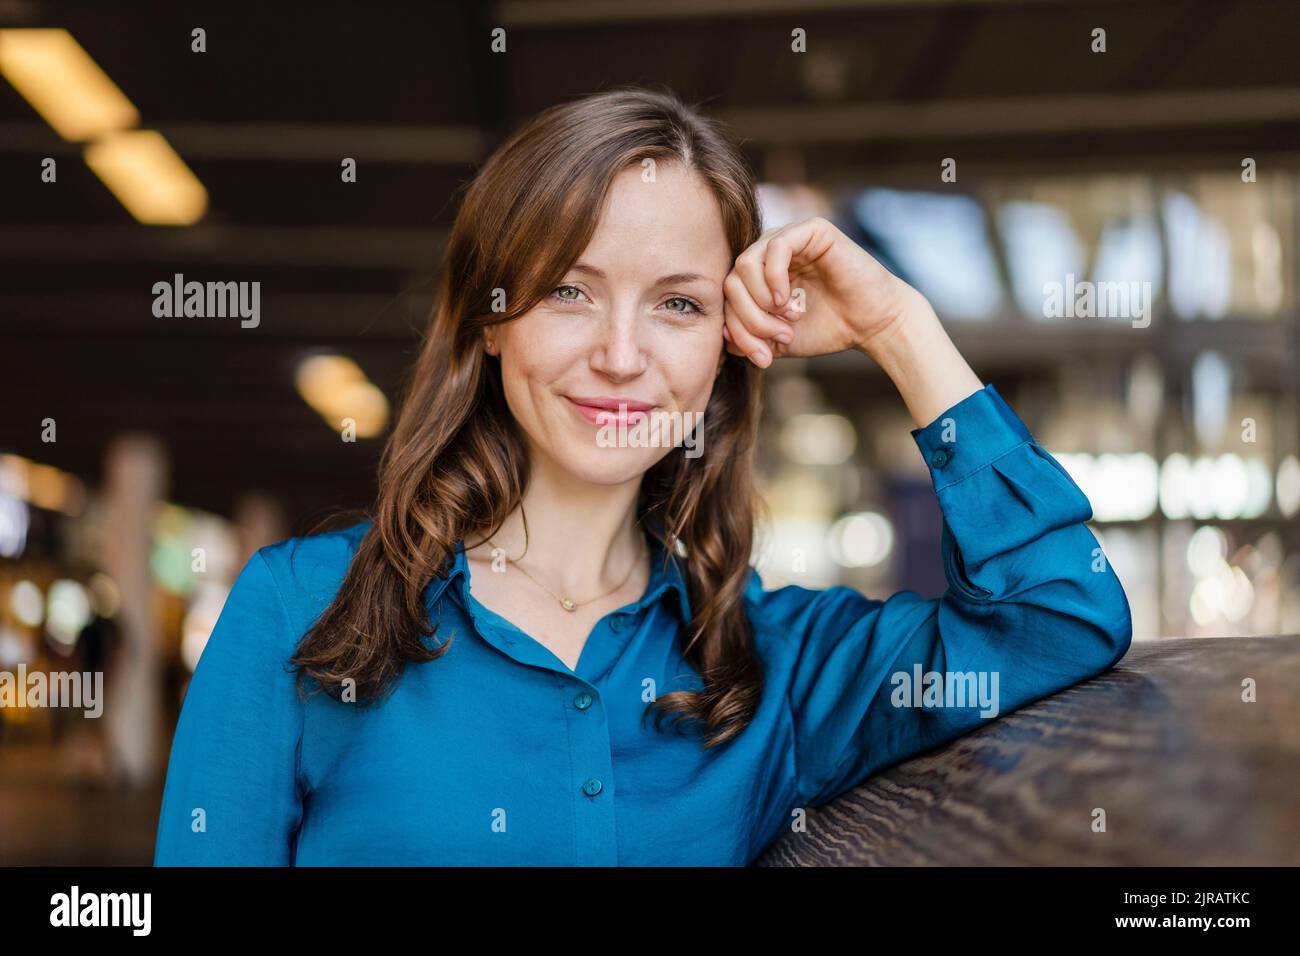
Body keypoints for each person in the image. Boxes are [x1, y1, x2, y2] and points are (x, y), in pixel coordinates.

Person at [154, 86, 1132, 866]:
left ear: (727, 345)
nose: (620, 356)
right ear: (492, 321)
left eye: (677, 304)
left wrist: (897, 327)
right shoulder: (301, 610)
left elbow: (1059, 613)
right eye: (570, 291)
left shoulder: (773, 666)